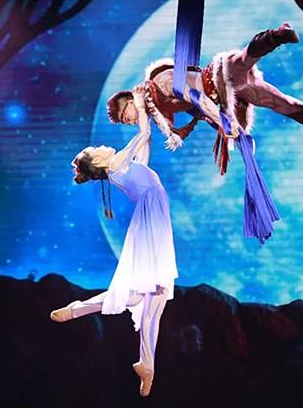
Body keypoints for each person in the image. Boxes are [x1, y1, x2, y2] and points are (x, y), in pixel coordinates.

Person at [50, 85, 178, 397]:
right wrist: (139, 102)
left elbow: (146, 142)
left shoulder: (125, 166)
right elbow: (143, 134)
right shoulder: (118, 164)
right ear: (98, 159)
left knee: (149, 297)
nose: (102, 145)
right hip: (152, 221)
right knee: (151, 293)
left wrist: (144, 111)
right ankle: (81, 311)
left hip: (154, 218)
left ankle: (146, 365)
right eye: (96, 147)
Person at [107, 22, 303, 174]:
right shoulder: (156, 109)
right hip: (228, 97)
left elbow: (197, 98)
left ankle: (277, 34)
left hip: (218, 79)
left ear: (130, 100)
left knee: (243, 61)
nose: (131, 121)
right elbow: (145, 138)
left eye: (127, 116)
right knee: (281, 104)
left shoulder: (160, 83)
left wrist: (225, 122)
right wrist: (135, 170)